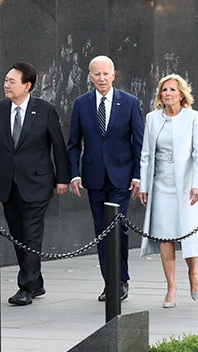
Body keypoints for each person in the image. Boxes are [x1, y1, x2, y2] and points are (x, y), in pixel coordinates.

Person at [0, 61, 70, 306]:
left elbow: (58, 146)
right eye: (6, 80)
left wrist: (63, 178)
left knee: (32, 235)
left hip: (38, 183)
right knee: (18, 235)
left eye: (12, 81)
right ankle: (36, 281)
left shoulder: (45, 110)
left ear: (27, 86)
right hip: (8, 184)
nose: (6, 85)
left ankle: (25, 287)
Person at [66, 55, 143, 301]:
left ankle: (121, 279)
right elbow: (73, 144)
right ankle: (110, 282)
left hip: (121, 177)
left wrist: (138, 176)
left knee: (118, 227)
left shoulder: (130, 103)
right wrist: (74, 174)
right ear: (90, 76)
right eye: (96, 74)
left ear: (113, 75)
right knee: (101, 230)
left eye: (105, 73)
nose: (101, 78)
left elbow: (139, 143)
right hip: (94, 177)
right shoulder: (81, 103)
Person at [138, 74, 198, 308]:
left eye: (172, 90)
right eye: (164, 90)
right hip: (160, 185)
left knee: (186, 232)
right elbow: (146, 154)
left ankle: (193, 272)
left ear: (181, 94)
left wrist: (196, 184)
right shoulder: (152, 118)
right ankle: (171, 287)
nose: (168, 93)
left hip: (187, 184)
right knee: (166, 236)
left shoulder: (193, 118)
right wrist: (145, 187)